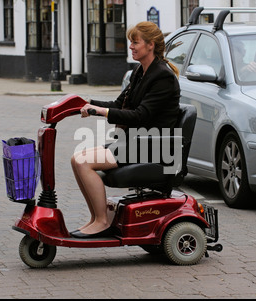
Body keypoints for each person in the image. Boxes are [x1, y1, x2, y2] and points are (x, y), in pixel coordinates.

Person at [70, 21, 181, 238]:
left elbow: (141, 115)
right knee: (77, 159)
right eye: (130, 42)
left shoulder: (162, 76)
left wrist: (100, 112)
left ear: (150, 45)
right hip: (136, 142)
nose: (130, 46)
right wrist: (87, 103)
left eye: (135, 42)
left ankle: (102, 221)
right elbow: (120, 104)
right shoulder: (140, 71)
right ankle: (96, 218)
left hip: (154, 146)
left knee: (83, 162)